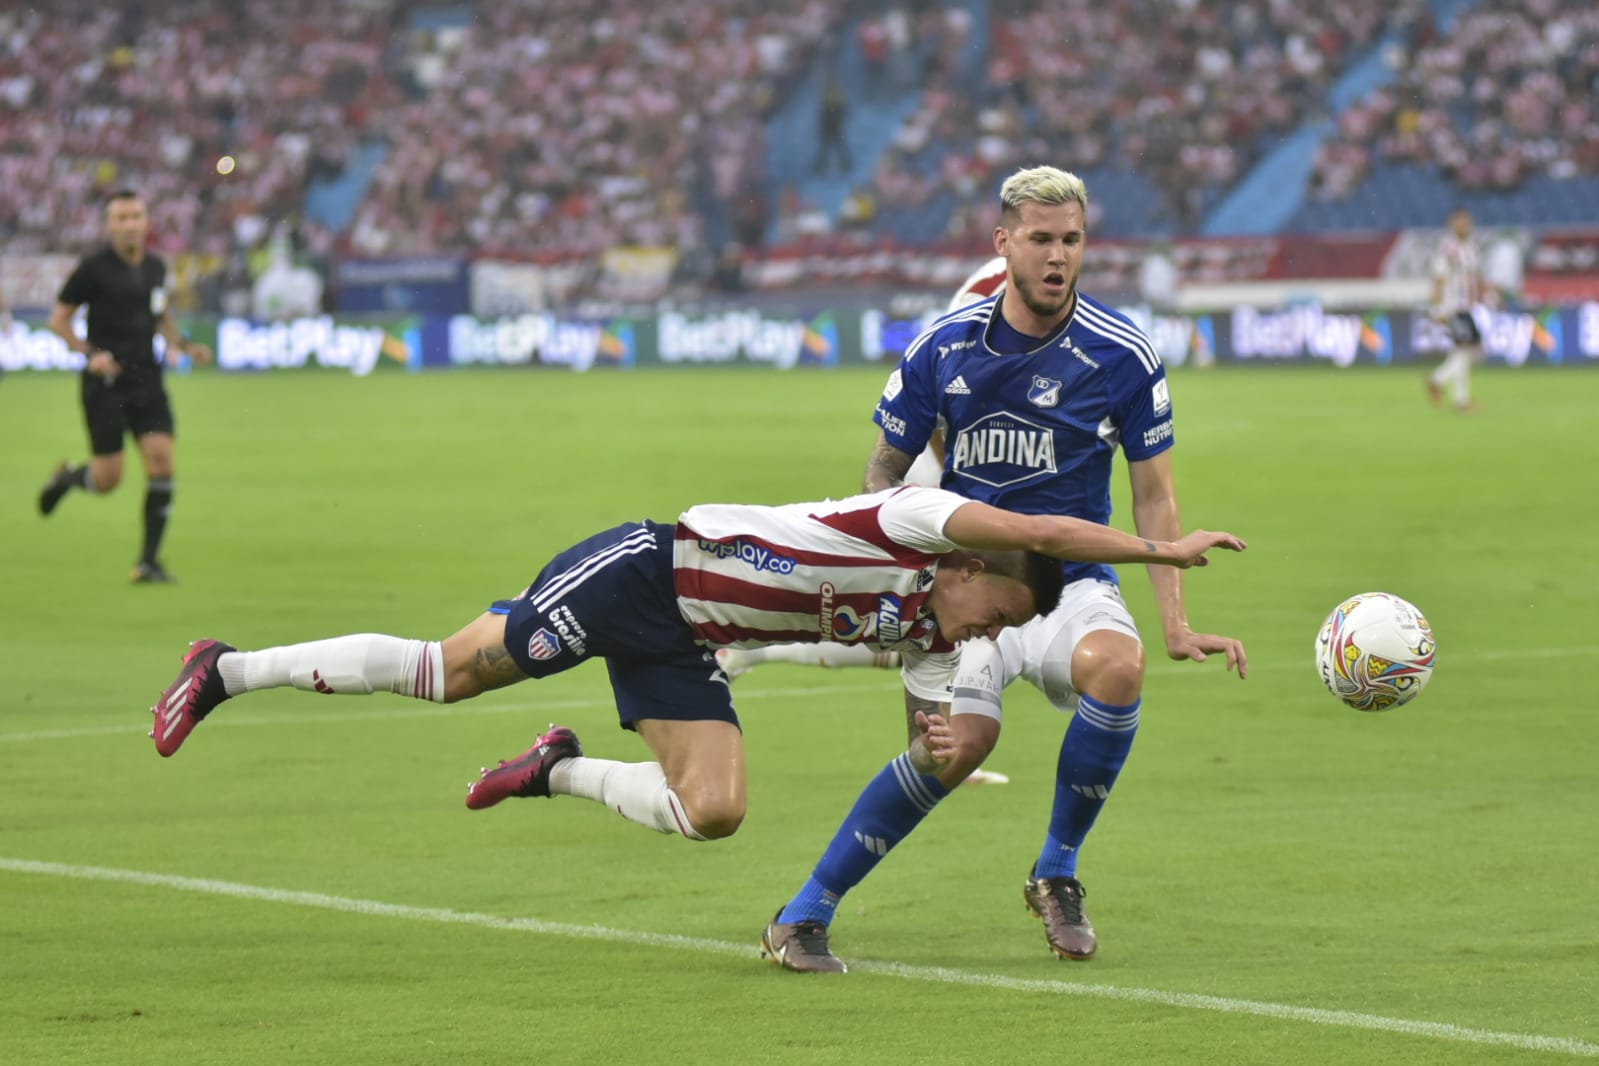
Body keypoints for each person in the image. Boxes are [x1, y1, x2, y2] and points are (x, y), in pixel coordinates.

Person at [150, 485, 1244, 847]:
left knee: (714, 811)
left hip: (690, 648)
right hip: (646, 573)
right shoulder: (909, 519)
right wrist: (1157, 551)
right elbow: (1043, 535)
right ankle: (227, 668)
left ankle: (555, 768)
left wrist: (953, 744)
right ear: (965, 562)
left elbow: (937, 738)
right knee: (452, 672)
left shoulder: (931, 631)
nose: (978, 640)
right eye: (992, 614)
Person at [760, 165, 1247, 974]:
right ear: (1003, 244)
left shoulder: (1121, 354)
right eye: (1041, 240)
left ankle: (1056, 872)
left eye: (1071, 240)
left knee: (1118, 670)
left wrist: (1174, 621)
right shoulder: (941, 349)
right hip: (971, 588)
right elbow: (882, 475)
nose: (1058, 257)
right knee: (957, 748)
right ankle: (803, 912)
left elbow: (1154, 495)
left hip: (1070, 579)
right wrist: (911, 581)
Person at [714, 254, 1012, 784]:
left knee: (920, 628)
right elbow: (948, 400)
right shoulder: (990, 287)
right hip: (936, 474)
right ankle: (946, 743)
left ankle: (749, 652)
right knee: (927, 620)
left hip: (964, 481)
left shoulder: (1044, 293)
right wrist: (955, 495)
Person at [37, 189, 214, 583]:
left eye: (136, 216)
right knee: (108, 479)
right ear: (109, 225)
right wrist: (88, 353)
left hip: (147, 379)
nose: (130, 224)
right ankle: (68, 479)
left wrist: (183, 344)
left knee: (162, 461)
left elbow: (160, 315)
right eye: (122, 218)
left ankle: (148, 562)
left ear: (146, 222)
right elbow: (58, 320)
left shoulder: (155, 268)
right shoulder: (92, 270)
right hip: (106, 383)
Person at [1425, 207, 1484, 414]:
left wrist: (1485, 295)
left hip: (1466, 306)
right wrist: (1437, 308)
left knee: (1468, 351)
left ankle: (1439, 381)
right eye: (1459, 221)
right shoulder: (1448, 249)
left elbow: (1474, 277)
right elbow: (1438, 279)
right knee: (1467, 349)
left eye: (1466, 221)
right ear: (1452, 223)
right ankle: (1458, 397)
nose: (1464, 224)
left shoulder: (1471, 248)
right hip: (1452, 307)